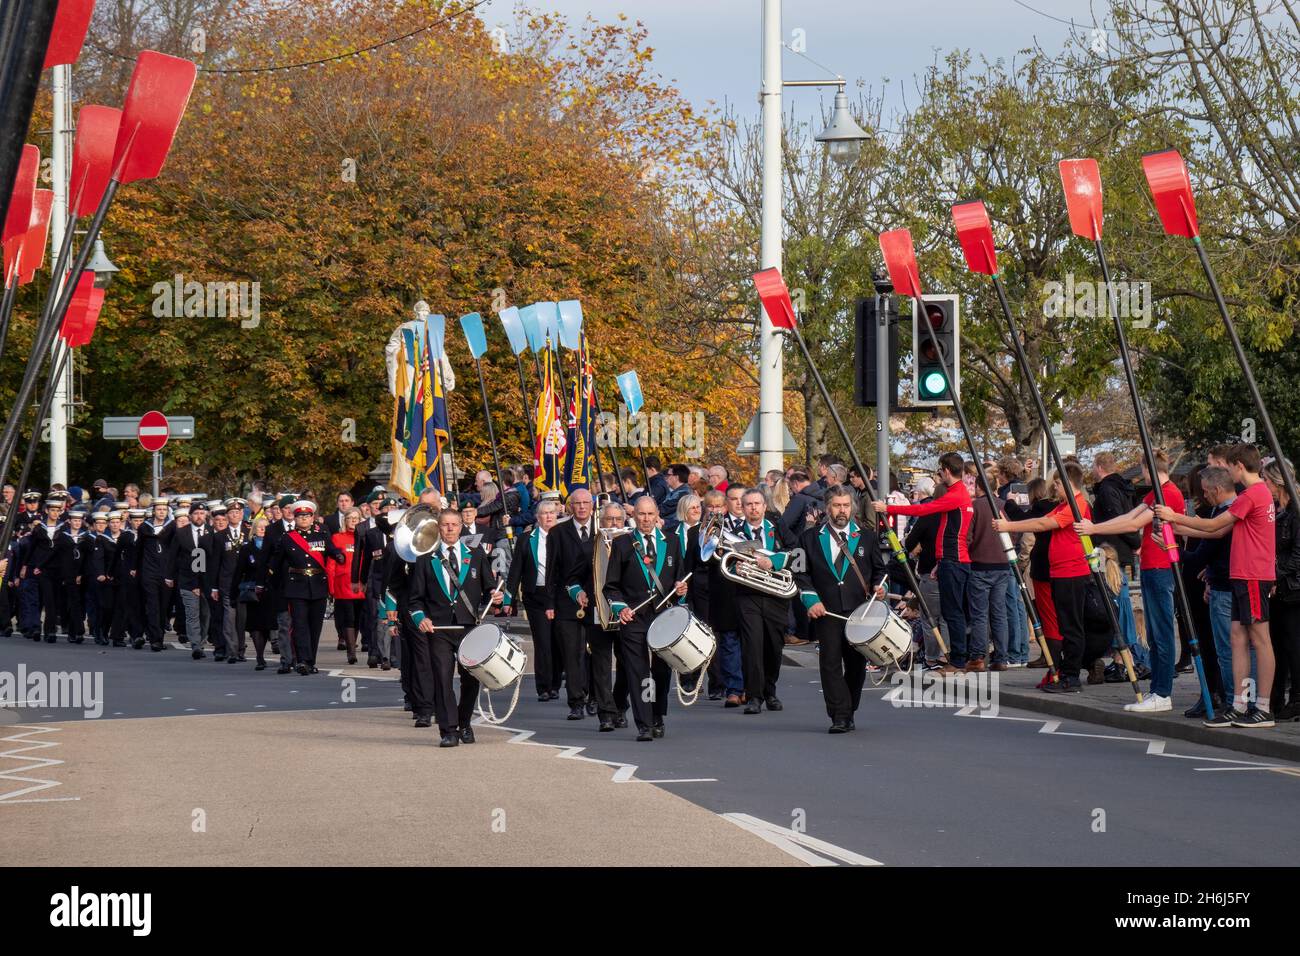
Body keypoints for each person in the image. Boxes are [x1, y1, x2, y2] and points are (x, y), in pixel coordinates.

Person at [1155, 444, 1276, 727]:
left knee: (1260, 639)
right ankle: (1239, 702)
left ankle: (1263, 707)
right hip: (1241, 576)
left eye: (1228, 468)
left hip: (1253, 574)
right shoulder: (1253, 496)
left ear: (1238, 466)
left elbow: (1215, 526)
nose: (1226, 473)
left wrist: (1174, 518)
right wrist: (1176, 531)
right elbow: (1221, 530)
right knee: (1237, 638)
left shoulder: (1253, 494)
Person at [1077, 449, 1184, 713]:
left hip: (1161, 567)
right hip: (1150, 565)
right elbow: (1129, 517)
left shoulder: (1167, 494)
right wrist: (1096, 526)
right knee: (1156, 632)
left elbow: (1131, 525)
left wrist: (1094, 529)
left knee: (1162, 632)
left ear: (1148, 468)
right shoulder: (1153, 494)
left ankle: (1163, 691)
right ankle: (1158, 688)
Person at [794, 485, 887, 733]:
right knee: (830, 662)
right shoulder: (808, 538)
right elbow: (800, 574)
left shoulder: (867, 536)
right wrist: (811, 600)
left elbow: (879, 570)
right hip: (826, 611)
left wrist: (880, 587)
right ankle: (839, 715)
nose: (842, 510)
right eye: (837, 505)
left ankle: (849, 709)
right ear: (827, 507)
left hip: (859, 611)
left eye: (846, 505)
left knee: (856, 665)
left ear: (852, 507)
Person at [408, 509, 505, 744]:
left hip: (468, 626)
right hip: (439, 629)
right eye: (445, 525)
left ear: (461, 527)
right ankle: (448, 731)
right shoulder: (425, 559)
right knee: (442, 679)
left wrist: (495, 595)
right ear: (438, 528)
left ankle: (464, 723)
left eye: (454, 524)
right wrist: (421, 618)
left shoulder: (476, 554)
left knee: (470, 679)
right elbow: (414, 600)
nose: (450, 529)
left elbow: (489, 587)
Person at [996, 462, 1093, 693]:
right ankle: (1064, 671)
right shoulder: (1065, 504)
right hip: (1059, 571)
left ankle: (1071, 675)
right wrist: (1013, 523)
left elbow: (1044, 523)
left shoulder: (1077, 505)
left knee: (1071, 627)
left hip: (1071, 571)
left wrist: (1009, 525)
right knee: (1065, 624)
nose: (1055, 488)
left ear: (1067, 483)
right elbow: (1041, 519)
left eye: (1058, 484)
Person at [602, 495, 690, 740]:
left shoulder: (671, 541)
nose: (646, 519)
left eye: (651, 514)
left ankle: (657, 715)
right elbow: (611, 586)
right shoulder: (622, 544)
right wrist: (621, 609)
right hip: (634, 618)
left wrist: (681, 589)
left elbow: (680, 578)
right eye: (641, 514)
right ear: (633, 516)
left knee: (661, 671)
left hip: (663, 617)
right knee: (637, 671)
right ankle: (644, 723)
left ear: (657, 515)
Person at [875, 452, 973, 669]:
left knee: (953, 612)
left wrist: (888, 508)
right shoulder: (961, 494)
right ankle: (957, 657)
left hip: (954, 560)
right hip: (951, 560)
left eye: (940, 471)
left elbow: (922, 509)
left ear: (946, 470)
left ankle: (957, 660)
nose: (940, 476)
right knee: (952, 612)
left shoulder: (956, 495)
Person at [267, 500, 345, 675]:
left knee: (315, 626)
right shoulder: (287, 538)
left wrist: (340, 556)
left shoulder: (322, 535)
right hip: (296, 585)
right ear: (295, 518)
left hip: (318, 584)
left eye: (307, 516)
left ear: (312, 518)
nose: (304, 518)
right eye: (300, 516)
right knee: (300, 625)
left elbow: (332, 550)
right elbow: (276, 564)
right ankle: (302, 661)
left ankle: (311, 661)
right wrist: (276, 586)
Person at [733, 488, 793, 714]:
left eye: (757, 503)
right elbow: (725, 559)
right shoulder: (736, 532)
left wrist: (774, 561)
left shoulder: (777, 527)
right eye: (748, 504)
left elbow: (795, 550)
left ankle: (770, 691)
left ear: (765, 506)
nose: (753, 508)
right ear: (743, 507)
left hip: (775, 595)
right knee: (752, 645)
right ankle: (754, 696)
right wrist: (734, 567)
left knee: (774, 645)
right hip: (748, 595)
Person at [503, 498, 561, 701]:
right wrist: (508, 600)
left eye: (552, 513)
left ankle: (556, 684)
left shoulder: (563, 536)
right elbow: (515, 570)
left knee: (558, 640)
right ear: (537, 517)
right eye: (544, 513)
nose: (548, 517)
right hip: (535, 595)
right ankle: (544, 686)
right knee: (543, 641)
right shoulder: (527, 539)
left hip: (559, 596)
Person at [550, 489, 598, 720]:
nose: (581, 507)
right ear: (570, 506)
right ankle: (576, 701)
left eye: (585, 503)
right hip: (567, 603)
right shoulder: (558, 533)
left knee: (597, 653)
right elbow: (552, 572)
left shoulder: (602, 531)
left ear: (592, 505)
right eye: (577, 503)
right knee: (572, 653)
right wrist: (551, 604)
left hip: (597, 602)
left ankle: (596, 698)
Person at [1264, 459, 1300, 720]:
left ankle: (1297, 698)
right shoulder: (1278, 511)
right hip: (1279, 588)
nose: (1264, 485)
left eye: (1267, 480)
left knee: (1293, 644)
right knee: (1279, 644)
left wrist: (1275, 575)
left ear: (1278, 482)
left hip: (1293, 588)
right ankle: (1277, 697)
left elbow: (1298, 555)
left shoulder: (1295, 512)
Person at [967, 467, 1011, 671]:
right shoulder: (1004, 506)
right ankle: (1001, 657)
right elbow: (1015, 533)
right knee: (999, 612)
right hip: (1002, 563)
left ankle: (978, 657)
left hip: (980, 564)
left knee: (979, 614)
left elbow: (967, 536)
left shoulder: (975, 507)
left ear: (979, 487)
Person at [233, 517, 275, 669]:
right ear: (254, 529)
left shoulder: (274, 547)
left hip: (270, 590)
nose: (263, 529)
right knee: (256, 625)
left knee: (267, 625)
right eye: (259, 527)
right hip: (253, 592)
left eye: (266, 527)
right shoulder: (247, 548)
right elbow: (239, 571)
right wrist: (234, 592)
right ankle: (259, 656)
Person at [328, 507, 366, 664]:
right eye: (350, 518)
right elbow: (331, 564)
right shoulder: (337, 538)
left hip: (361, 584)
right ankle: (351, 652)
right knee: (348, 617)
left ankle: (353, 644)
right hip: (344, 583)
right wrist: (331, 587)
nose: (353, 521)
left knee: (357, 618)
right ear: (345, 521)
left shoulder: (365, 538)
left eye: (356, 518)